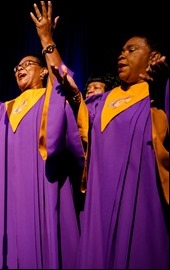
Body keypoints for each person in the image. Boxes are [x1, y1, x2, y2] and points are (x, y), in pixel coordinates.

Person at [0, 1, 87, 268]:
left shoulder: (49, 96)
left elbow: (62, 81)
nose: (19, 69)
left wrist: (46, 38)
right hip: (8, 190)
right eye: (17, 67)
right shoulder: (6, 107)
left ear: (43, 70)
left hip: (42, 182)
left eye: (27, 64)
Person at [72, 34, 169, 268]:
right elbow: (82, 127)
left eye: (131, 49)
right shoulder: (103, 101)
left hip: (144, 199)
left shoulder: (158, 91)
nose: (122, 54)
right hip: (101, 201)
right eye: (121, 50)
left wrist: (161, 91)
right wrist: (47, 42)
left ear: (152, 57)